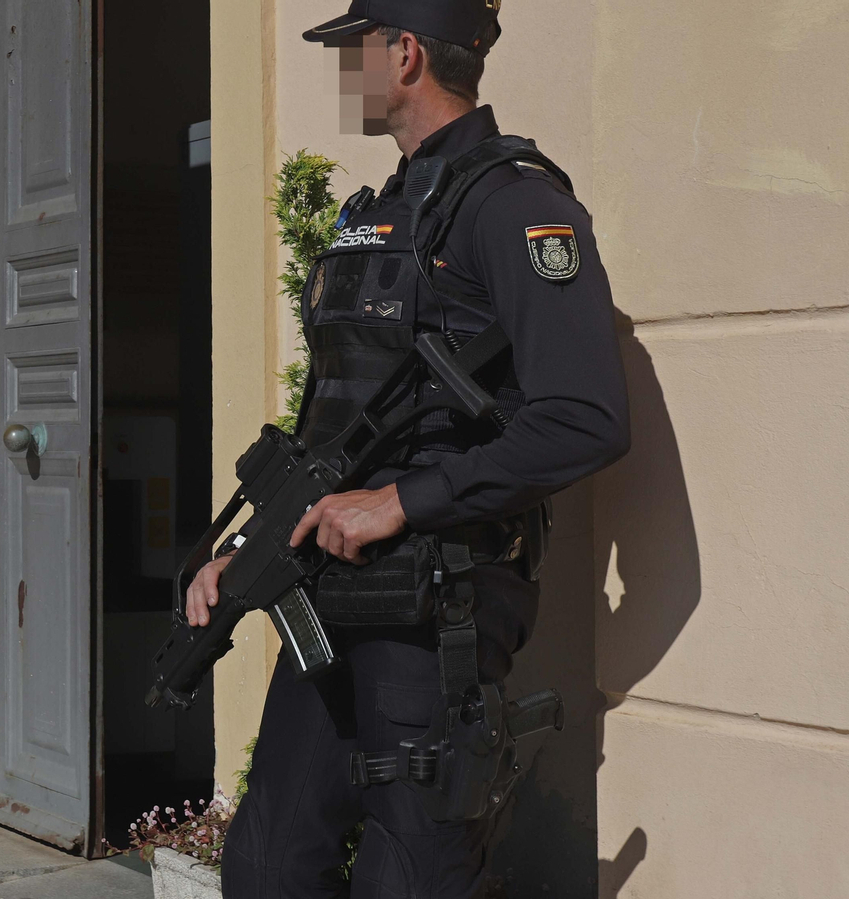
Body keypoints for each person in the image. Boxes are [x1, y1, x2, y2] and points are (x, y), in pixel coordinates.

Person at [186, 2, 632, 896]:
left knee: (409, 877)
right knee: (267, 866)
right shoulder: (383, 213)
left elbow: (586, 416)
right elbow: (337, 423)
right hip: (332, 592)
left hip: (440, 600)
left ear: (407, 53)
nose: (344, 71)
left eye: (355, 50)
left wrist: (400, 502)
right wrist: (249, 547)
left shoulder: (520, 208)